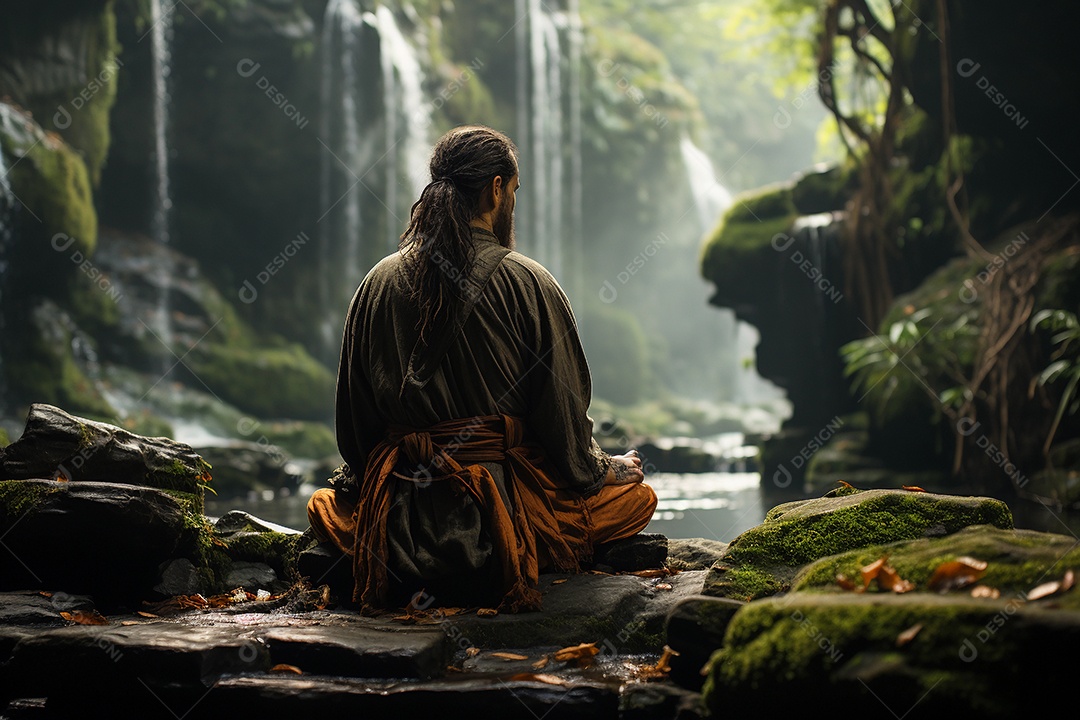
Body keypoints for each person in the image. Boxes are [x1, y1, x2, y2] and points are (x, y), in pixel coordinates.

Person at [306, 124, 657, 613]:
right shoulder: (529, 282)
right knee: (637, 499)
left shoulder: (377, 282)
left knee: (326, 507)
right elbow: (562, 416)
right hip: (503, 511)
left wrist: (371, 485)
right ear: (496, 188)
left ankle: (391, 553)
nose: (514, 201)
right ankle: (508, 553)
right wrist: (602, 470)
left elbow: (355, 424)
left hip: (401, 512)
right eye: (514, 190)